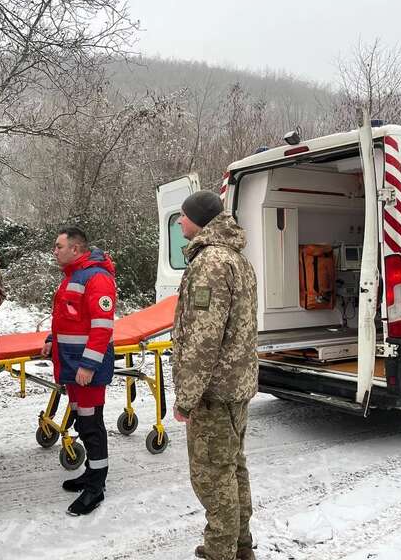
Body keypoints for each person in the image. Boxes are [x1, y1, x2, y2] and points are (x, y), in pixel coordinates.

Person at [171, 191, 259, 560]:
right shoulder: (236, 258)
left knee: (212, 476)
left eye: (183, 216)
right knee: (232, 468)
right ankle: (240, 547)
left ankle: (219, 552)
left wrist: (186, 398)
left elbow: (205, 339)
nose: (179, 222)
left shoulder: (211, 262)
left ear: (200, 220)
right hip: (234, 388)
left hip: (213, 392)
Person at [41, 226, 116, 516]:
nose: (55, 251)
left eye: (59, 246)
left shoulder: (96, 278)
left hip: (86, 368)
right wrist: (51, 340)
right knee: (83, 423)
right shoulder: (74, 277)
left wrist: (88, 365)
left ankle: (96, 488)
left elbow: (102, 326)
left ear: (76, 249)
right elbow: (67, 318)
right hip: (73, 365)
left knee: (91, 425)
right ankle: (89, 474)